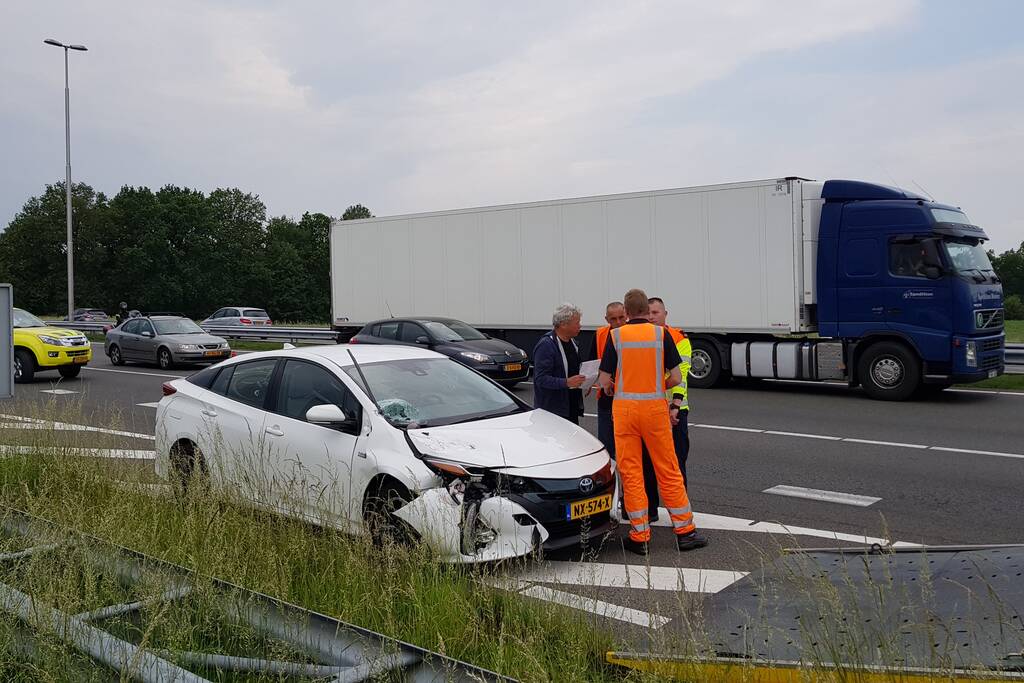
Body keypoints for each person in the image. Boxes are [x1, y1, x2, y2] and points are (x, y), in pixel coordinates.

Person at [598, 288, 707, 555]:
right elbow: (677, 378)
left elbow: (603, 381)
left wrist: (614, 388)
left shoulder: (616, 336)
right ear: (647, 310)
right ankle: (685, 532)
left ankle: (640, 535)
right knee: (668, 469)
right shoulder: (662, 335)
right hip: (655, 411)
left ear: (626, 311)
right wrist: (659, 385)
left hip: (624, 412)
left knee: (632, 473)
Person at [648, 297, 692, 487]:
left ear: (665, 314)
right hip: (650, 407)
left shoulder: (678, 338)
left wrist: (675, 404)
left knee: (676, 462)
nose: (651, 317)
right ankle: (652, 509)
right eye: (648, 313)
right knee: (650, 463)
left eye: (655, 313)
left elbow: (681, 375)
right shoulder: (643, 337)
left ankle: (681, 508)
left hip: (676, 408)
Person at [532, 303, 586, 424]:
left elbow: (573, 370)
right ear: (563, 324)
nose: (580, 326)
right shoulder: (546, 345)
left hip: (570, 406)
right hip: (552, 411)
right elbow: (540, 379)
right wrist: (566, 382)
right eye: (577, 322)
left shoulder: (573, 343)